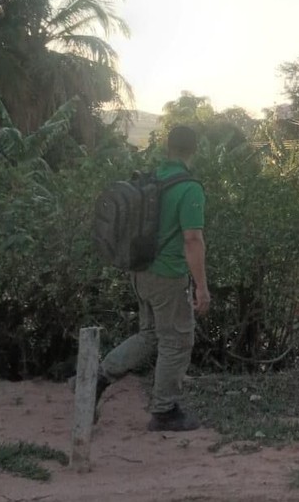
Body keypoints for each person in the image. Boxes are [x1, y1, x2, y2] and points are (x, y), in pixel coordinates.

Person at [96, 125, 211, 430]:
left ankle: (99, 376)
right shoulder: (189, 188)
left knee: (149, 335)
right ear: (194, 149)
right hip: (167, 276)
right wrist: (202, 287)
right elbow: (192, 240)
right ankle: (164, 411)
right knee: (177, 341)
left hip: (140, 270)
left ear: (168, 148)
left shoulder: (153, 179)